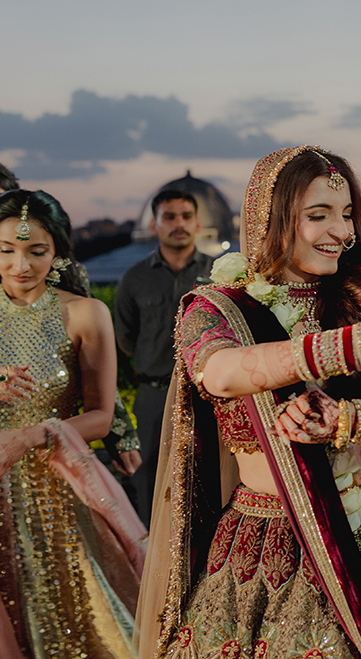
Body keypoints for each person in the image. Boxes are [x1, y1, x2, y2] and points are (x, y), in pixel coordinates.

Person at [134, 146, 361, 659]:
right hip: (276, 545)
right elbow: (219, 372)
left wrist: (357, 416)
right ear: (271, 217)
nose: (343, 232)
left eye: (348, 214)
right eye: (318, 215)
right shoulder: (216, 308)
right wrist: (357, 344)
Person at [0, 190, 147, 658]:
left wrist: (27, 436)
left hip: (54, 489)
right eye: (6, 250)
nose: (20, 264)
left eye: (36, 251)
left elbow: (102, 415)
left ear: (57, 251)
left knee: (72, 620)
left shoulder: (84, 313)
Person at [0, 159, 142, 474]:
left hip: (54, 467)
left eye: (37, 252)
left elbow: (93, 376)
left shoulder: (75, 302)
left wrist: (119, 434)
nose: (21, 266)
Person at [114, 188, 214, 524]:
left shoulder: (219, 275)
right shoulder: (134, 278)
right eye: (169, 217)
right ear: (155, 224)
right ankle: (148, 568)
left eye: (185, 216)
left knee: (210, 476)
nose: (178, 224)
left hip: (209, 396)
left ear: (198, 223)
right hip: (154, 396)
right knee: (149, 479)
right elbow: (126, 338)